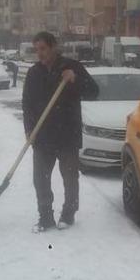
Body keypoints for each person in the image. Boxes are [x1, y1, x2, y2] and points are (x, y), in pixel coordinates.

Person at [22, 31, 99, 232]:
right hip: (43, 136)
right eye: (37, 49)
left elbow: (94, 92)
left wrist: (75, 79)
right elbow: (27, 105)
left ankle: (68, 214)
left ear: (53, 46)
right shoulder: (34, 73)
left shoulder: (72, 67)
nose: (40, 53)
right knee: (40, 178)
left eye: (43, 49)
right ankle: (45, 216)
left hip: (67, 135)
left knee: (70, 177)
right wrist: (29, 131)